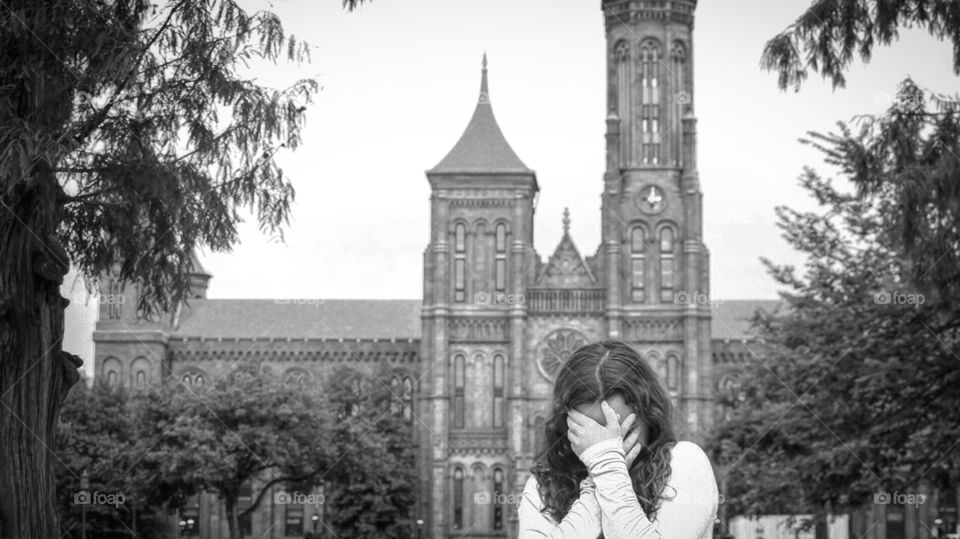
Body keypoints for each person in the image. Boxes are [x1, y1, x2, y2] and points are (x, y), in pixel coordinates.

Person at [518, 340, 719, 538]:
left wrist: (606, 469)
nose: (607, 445)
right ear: (567, 425)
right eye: (592, 432)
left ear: (649, 416)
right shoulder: (543, 487)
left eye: (622, 430)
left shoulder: (685, 462)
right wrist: (600, 475)